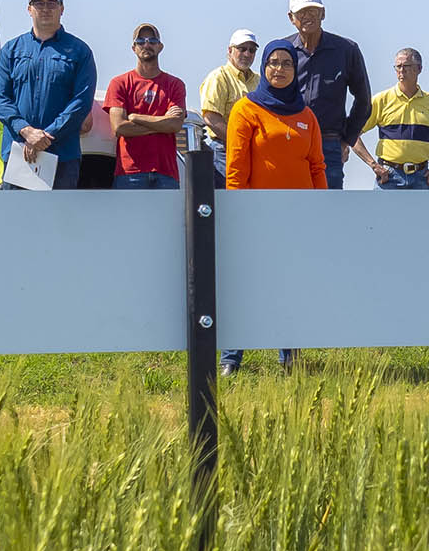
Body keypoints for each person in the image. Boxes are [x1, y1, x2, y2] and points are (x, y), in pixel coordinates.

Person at [222, 41, 328, 373]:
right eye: (272, 63)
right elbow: (235, 168)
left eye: (286, 64)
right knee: (244, 286)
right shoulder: (246, 110)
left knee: (290, 287)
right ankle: (231, 358)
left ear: (296, 72)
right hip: (255, 216)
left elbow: (317, 167)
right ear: (264, 69)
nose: (279, 69)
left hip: (297, 218)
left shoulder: (307, 116)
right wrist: (237, 211)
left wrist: (320, 208)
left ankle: (290, 358)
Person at [0, 0, 96, 190]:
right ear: (29, 9)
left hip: (62, 156)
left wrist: (46, 136)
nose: (45, 8)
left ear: (62, 9)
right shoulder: (11, 50)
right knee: (16, 220)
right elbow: (0, 98)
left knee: (59, 221)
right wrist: (26, 131)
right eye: (39, 3)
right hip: (18, 154)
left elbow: (81, 102)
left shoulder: (79, 51)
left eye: (52, 3)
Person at [284, 0, 372, 188]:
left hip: (329, 145)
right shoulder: (282, 51)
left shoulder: (346, 50)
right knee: (288, 208)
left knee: (328, 210)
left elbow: (364, 100)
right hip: (288, 143)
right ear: (291, 17)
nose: (308, 17)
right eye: (302, 12)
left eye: (313, 11)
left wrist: (346, 140)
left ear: (323, 14)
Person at [101, 23, 187, 190]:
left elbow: (175, 125)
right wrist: (163, 124)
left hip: (166, 172)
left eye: (152, 40)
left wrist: (136, 117)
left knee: (166, 217)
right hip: (130, 172)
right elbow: (119, 127)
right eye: (141, 41)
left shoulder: (175, 85)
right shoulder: (119, 83)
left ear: (160, 47)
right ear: (133, 47)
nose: (146, 45)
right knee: (128, 217)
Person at [359, 47, 429, 191]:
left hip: (420, 176)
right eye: (398, 66)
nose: (401, 70)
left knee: (419, 215)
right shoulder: (382, 99)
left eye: (406, 66)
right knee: (383, 214)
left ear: (419, 69)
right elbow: (353, 135)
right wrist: (374, 165)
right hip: (388, 176)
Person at [196, 28, 260, 181]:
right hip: (224, 150)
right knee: (230, 198)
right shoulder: (218, 77)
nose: (247, 54)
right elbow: (211, 118)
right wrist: (239, 141)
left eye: (252, 50)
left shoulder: (259, 80)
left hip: (254, 152)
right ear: (230, 50)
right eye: (242, 49)